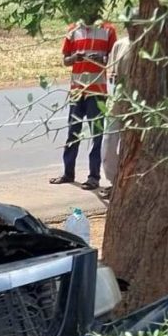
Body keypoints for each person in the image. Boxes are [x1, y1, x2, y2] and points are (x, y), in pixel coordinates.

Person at [51, 11, 117, 189]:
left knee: (97, 135)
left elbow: (113, 59)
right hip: (77, 90)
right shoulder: (73, 30)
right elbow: (65, 60)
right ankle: (68, 172)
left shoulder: (108, 30)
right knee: (73, 132)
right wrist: (75, 58)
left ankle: (93, 177)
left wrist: (101, 59)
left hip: (97, 91)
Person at [100, 29, 132, 198]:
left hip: (136, 106)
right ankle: (114, 180)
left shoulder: (146, 44)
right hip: (116, 103)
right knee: (108, 146)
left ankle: (126, 185)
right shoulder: (120, 45)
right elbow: (112, 76)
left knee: (131, 147)